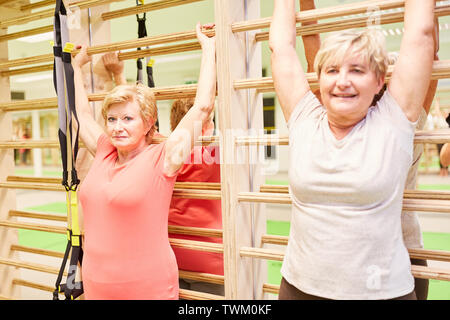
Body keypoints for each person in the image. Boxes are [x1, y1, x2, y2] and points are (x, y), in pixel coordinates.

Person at [270, 0, 435, 300]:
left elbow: (421, 35)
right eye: (332, 70)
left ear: (379, 80)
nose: (342, 81)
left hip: (382, 293)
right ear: (319, 78)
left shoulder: (392, 124)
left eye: (357, 70)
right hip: (298, 289)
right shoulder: (305, 119)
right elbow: (281, 47)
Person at [72, 22, 216, 300]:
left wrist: (208, 48)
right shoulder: (104, 150)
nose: (117, 127)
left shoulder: (162, 159)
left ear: (148, 122)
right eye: (112, 119)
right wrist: (75, 69)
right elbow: (81, 115)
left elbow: (202, 108)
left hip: (147, 288)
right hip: (96, 286)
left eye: (128, 119)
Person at [168, 98, 223, 296]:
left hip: (172, 256)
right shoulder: (215, 155)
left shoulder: (163, 155)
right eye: (212, 120)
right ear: (206, 125)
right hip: (210, 260)